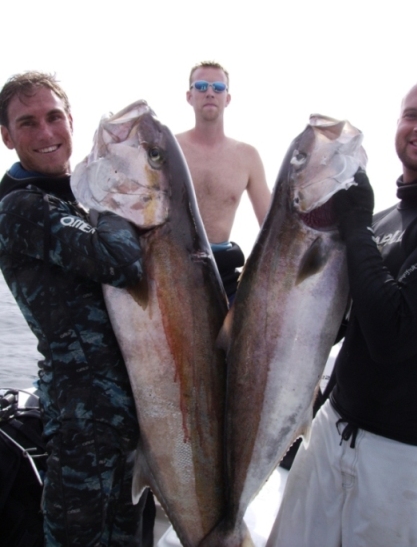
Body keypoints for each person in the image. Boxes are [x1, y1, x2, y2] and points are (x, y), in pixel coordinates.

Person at [267, 77, 417, 547]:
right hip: (329, 433)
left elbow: (393, 335)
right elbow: (341, 324)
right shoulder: (385, 219)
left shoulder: (376, 221)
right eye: (412, 114)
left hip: (406, 461)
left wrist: (355, 225)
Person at [0, 72, 155, 546]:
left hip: (137, 412)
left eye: (53, 117)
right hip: (81, 417)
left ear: (71, 120)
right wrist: (114, 190)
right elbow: (119, 259)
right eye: (27, 123)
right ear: (6, 136)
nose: (46, 134)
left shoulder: (77, 196)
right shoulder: (20, 207)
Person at [176, 61, 271, 301]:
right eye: (201, 86)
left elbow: (271, 225)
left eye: (218, 87)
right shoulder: (170, 150)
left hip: (226, 275)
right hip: (174, 268)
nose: (210, 92)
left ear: (227, 98)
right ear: (189, 96)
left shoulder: (247, 156)